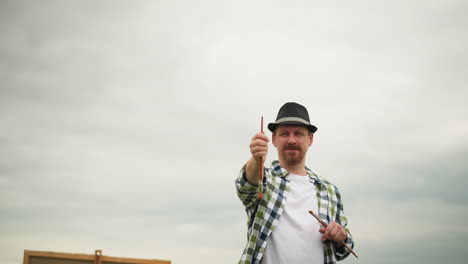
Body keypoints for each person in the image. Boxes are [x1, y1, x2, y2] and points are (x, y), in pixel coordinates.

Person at [235, 102, 355, 264]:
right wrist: (256, 159)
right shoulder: (265, 180)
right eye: (284, 134)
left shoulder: (329, 191)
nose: (291, 140)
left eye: (298, 133)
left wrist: (342, 236)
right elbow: (245, 187)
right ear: (274, 139)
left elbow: (345, 250)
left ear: (310, 139)